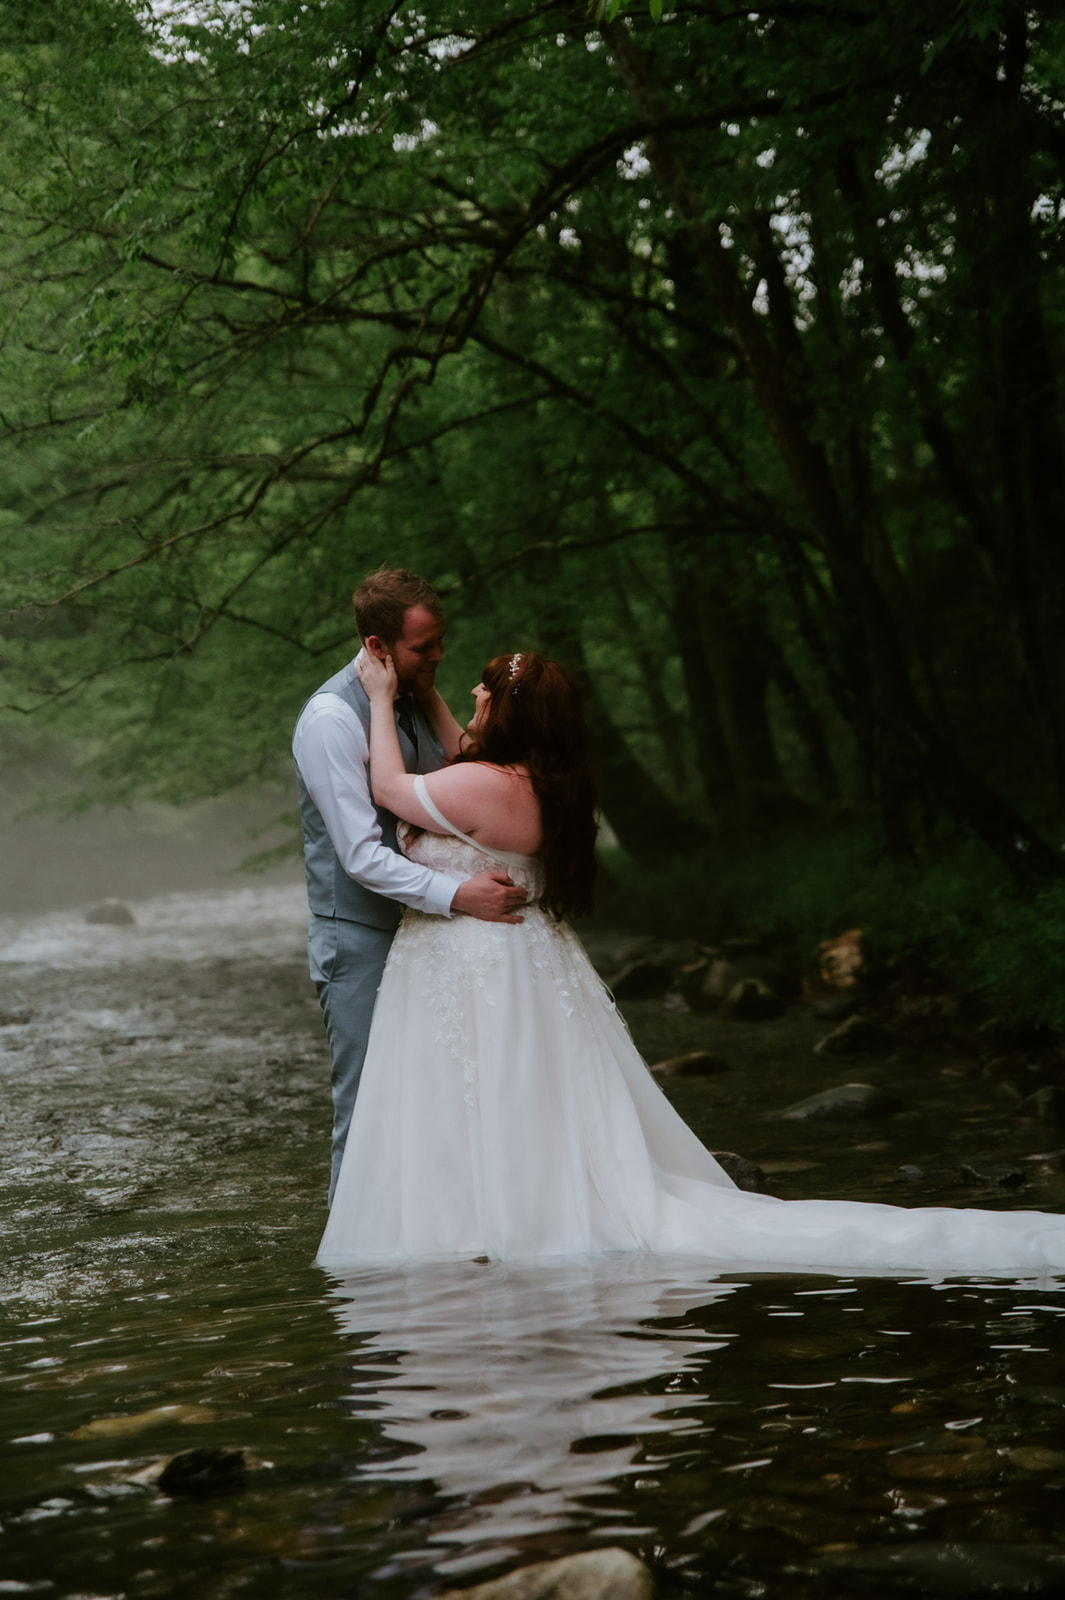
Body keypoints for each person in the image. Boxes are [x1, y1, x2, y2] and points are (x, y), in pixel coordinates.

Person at [317, 651, 1065, 1276]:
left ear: (511, 716)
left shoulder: (482, 786)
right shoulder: (537, 783)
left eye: (487, 686)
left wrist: (382, 697)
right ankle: (497, 1210)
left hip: (478, 962)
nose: (472, 693)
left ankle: (484, 1223)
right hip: (510, 961)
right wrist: (438, 693)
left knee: (486, 1089)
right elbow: (465, 753)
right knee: (514, 1092)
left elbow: (390, 789)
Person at [293, 569, 526, 1204]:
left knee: (437, 1104)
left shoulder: (415, 695)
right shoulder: (330, 721)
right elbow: (363, 856)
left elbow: (469, 781)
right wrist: (461, 895)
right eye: (424, 648)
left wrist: (428, 696)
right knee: (368, 1110)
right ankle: (354, 1280)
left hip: (432, 939)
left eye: (439, 641)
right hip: (362, 937)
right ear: (378, 646)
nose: (439, 657)